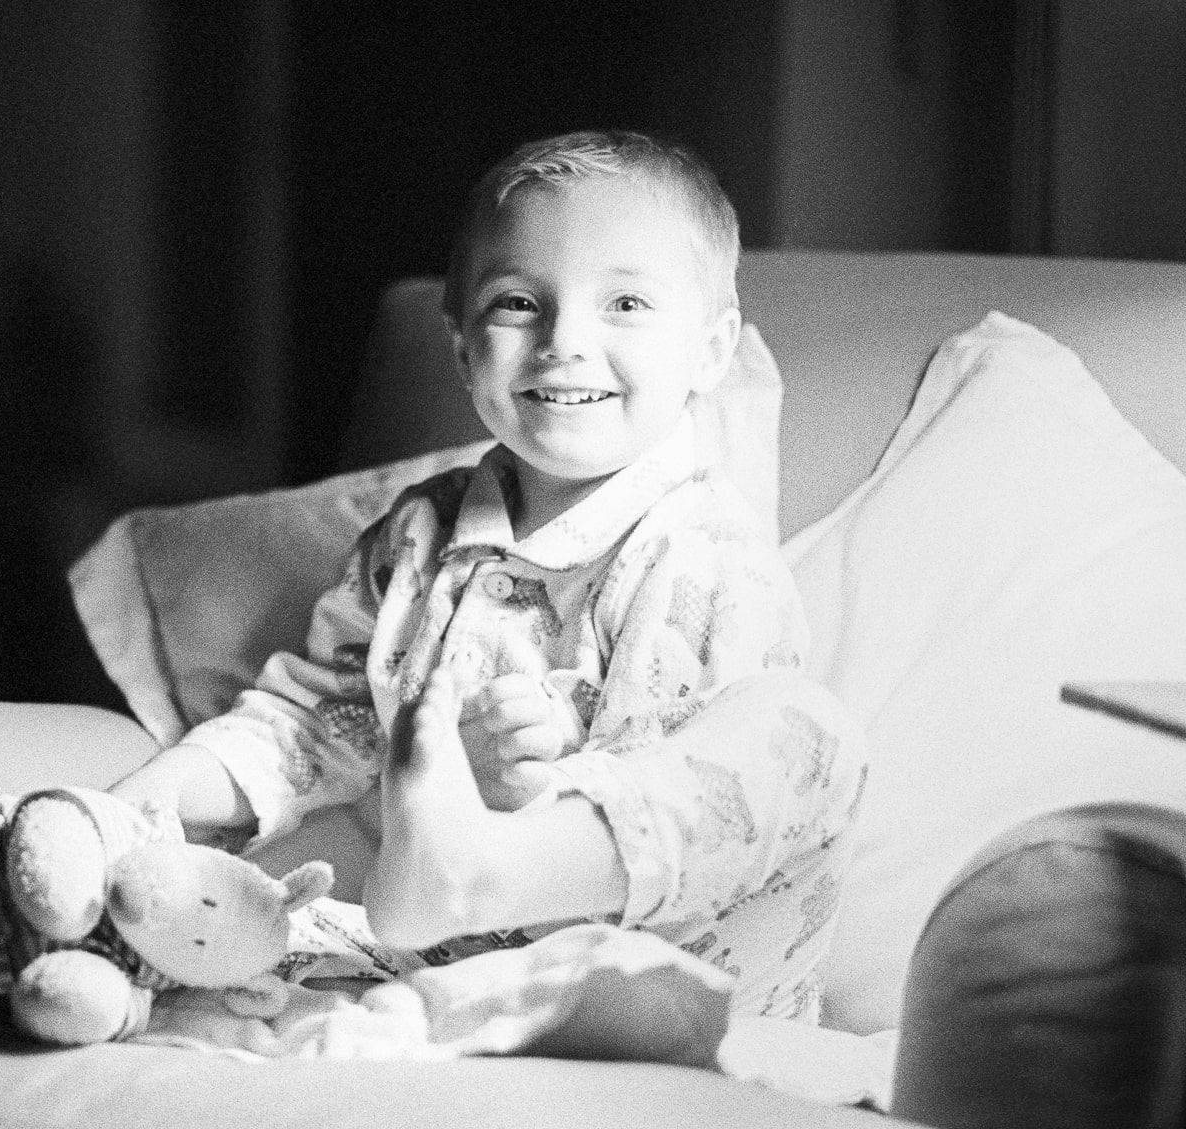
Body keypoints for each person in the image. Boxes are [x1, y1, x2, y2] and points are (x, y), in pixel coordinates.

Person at [111, 130, 868, 1021]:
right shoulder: (419, 536)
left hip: (672, 987)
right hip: (446, 980)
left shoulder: (707, 555)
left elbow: (701, 826)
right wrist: (142, 804)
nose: (565, 342)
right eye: (518, 303)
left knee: (807, 729)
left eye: (625, 302)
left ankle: (479, 875)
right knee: (222, 931)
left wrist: (521, 796)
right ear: (463, 346)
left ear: (710, 350)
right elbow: (316, 721)